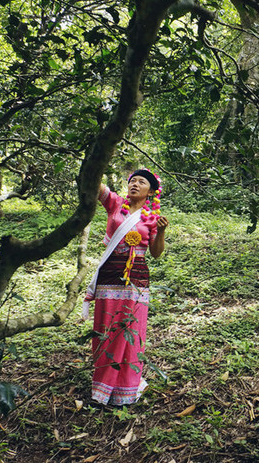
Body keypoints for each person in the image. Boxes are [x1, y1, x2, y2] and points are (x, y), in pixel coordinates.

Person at [82, 169, 169, 405]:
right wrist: (96, 156)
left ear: (151, 192)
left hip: (136, 277)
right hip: (110, 273)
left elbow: (156, 253)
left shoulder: (151, 217)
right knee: (106, 325)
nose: (135, 185)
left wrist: (160, 231)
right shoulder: (115, 204)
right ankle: (102, 387)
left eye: (141, 182)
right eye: (132, 181)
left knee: (131, 328)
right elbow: (96, 184)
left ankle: (126, 387)